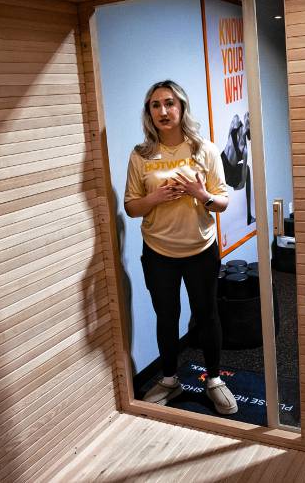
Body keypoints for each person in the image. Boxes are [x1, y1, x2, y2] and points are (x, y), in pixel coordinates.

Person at [124, 80, 238, 415]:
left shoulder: (204, 149)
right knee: (167, 316)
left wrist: (200, 195)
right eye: (155, 105)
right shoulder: (141, 155)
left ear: (182, 107)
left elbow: (223, 202)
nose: (163, 111)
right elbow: (132, 207)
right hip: (159, 253)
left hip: (200, 249)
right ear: (149, 113)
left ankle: (214, 379)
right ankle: (170, 379)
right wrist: (155, 198)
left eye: (169, 103)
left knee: (207, 315)